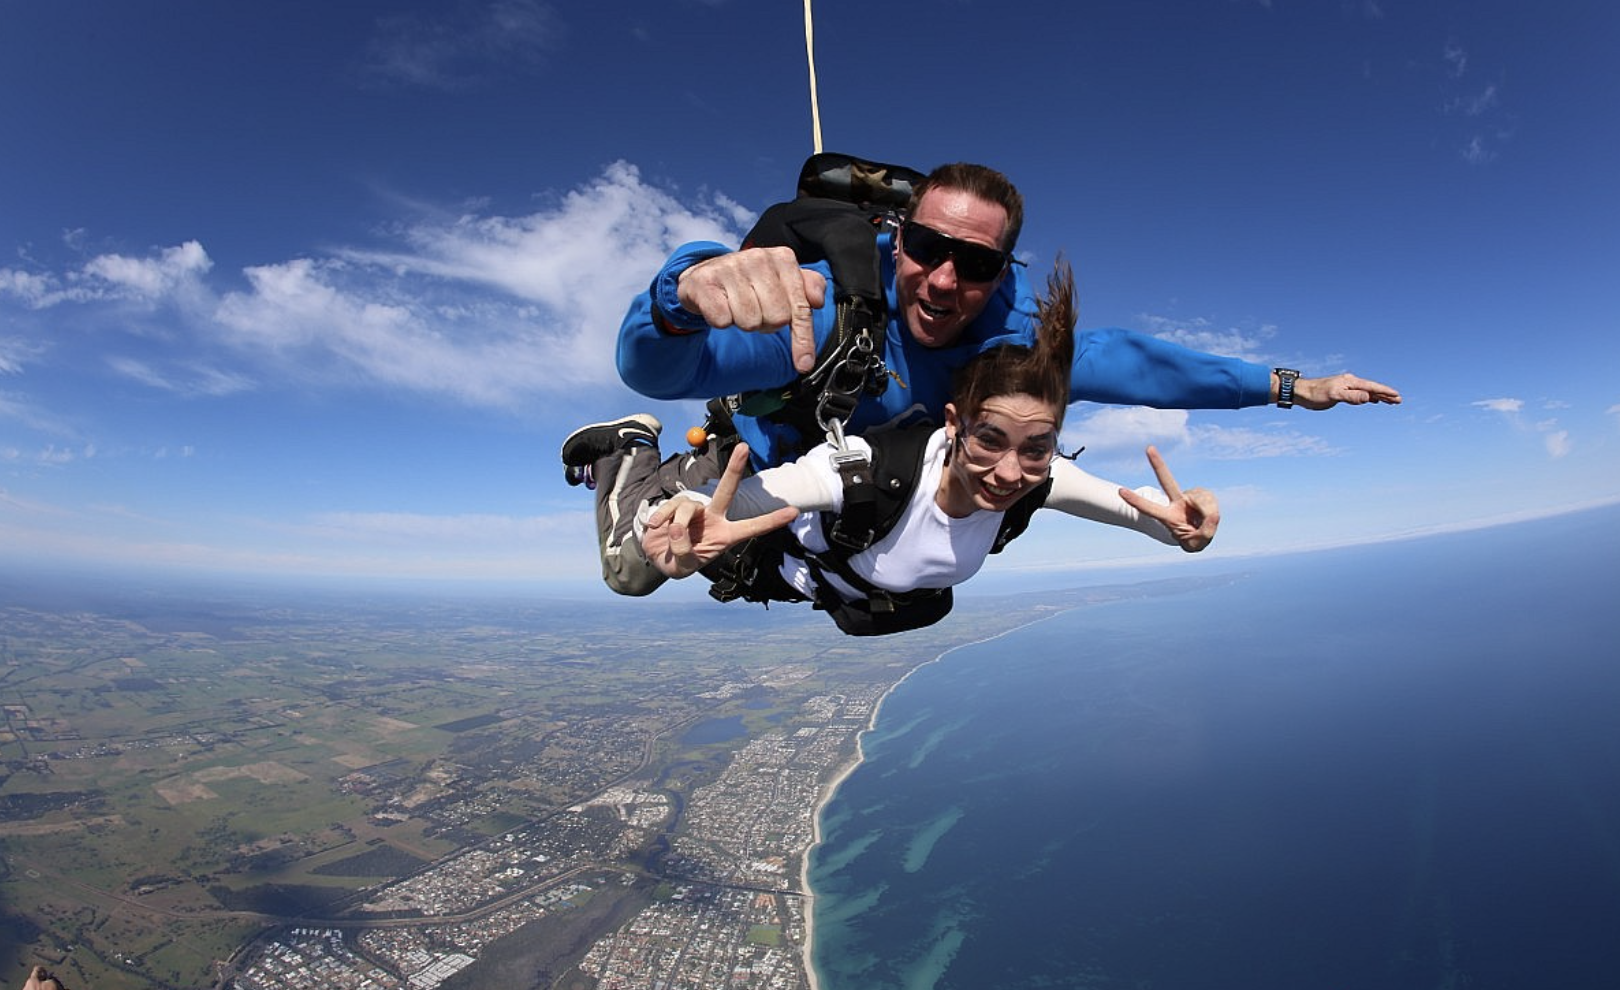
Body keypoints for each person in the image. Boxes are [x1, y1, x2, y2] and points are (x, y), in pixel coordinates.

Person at [564, 160, 1398, 596]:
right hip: (759, 466)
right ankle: (633, 459)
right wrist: (680, 295)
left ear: (1004, 270)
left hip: (874, 499)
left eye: (975, 263)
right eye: (926, 250)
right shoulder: (831, 324)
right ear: (898, 241)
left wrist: (1297, 387)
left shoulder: (1010, 347)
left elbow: (1148, 367)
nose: (941, 280)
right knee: (632, 572)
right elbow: (652, 369)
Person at [630, 263, 1218, 635]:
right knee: (627, 573)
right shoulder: (862, 466)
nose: (1010, 473)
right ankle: (627, 445)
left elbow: (1143, 513)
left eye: (1038, 448)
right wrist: (679, 517)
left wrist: (1183, 528)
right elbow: (760, 498)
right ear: (954, 424)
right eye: (990, 439)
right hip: (790, 565)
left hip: (840, 592)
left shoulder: (1039, 476)